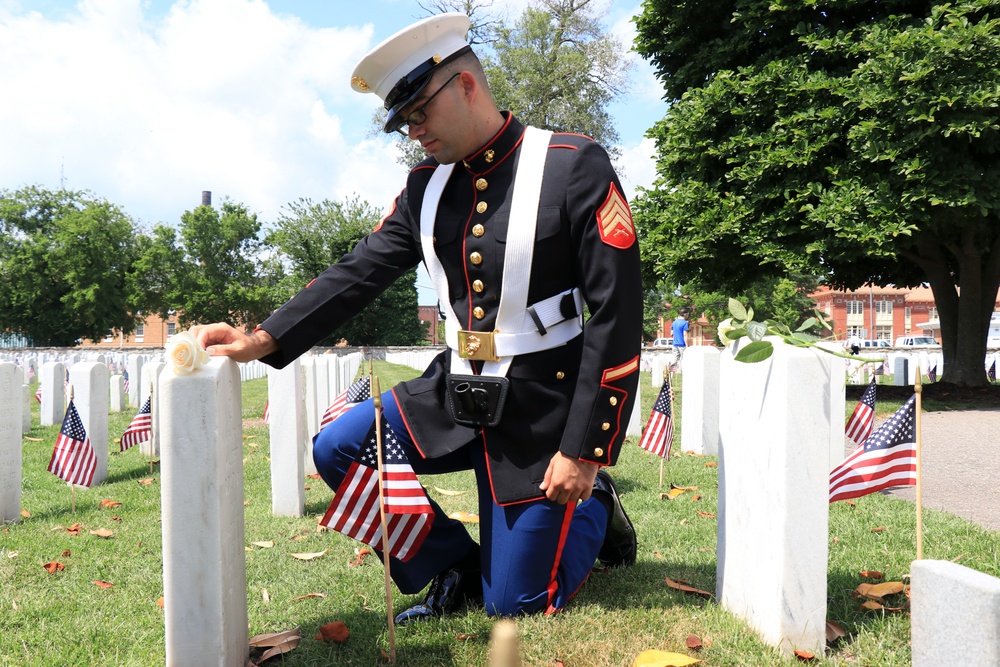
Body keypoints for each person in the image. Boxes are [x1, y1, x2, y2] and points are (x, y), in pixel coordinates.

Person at [191, 12, 641, 623]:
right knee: (340, 448)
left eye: (420, 112)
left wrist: (586, 452)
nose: (413, 131)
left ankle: (595, 508)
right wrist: (263, 338)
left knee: (514, 607)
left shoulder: (570, 164)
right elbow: (358, 272)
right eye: (403, 120)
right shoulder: (425, 186)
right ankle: (451, 562)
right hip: (455, 394)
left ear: (465, 85)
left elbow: (616, 312)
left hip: (541, 410)